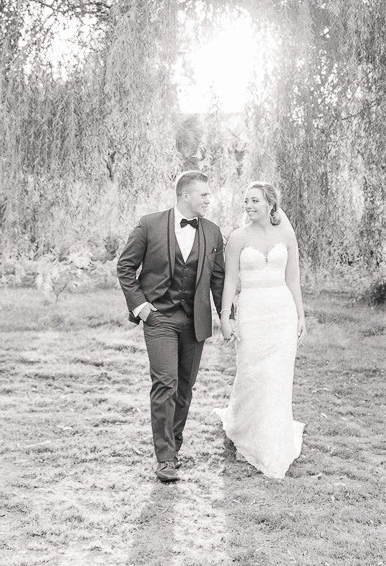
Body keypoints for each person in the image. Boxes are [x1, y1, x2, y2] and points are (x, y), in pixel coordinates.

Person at [116, 170, 225, 482]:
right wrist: (141, 307)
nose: (209, 199)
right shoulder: (149, 224)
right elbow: (125, 266)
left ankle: (174, 444)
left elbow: (218, 279)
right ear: (185, 195)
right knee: (166, 383)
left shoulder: (212, 232)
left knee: (185, 387)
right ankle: (165, 458)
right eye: (204, 194)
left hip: (195, 320)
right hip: (159, 317)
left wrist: (227, 318)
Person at [216, 181, 305, 479]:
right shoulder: (238, 238)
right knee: (252, 372)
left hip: (282, 311)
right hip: (252, 311)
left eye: (255, 200)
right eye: (246, 201)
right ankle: (245, 430)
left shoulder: (286, 235)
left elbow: (293, 279)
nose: (249, 206)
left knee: (277, 375)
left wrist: (300, 315)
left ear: (270, 203)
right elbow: (230, 281)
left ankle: (273, 439)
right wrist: (225, 317)